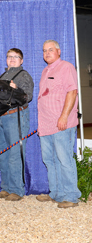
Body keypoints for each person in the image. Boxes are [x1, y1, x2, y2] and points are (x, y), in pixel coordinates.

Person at [36, 40, 81, 208]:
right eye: (44, 50)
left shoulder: (66, 67)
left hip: (61, 123)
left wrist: (63, 116)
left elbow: (72, 92)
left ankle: (71, 196)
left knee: (64, 159)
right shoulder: (45, 71)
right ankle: (56, 193)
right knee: (50, 160)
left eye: (50, 50)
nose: (47, 53)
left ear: (59, 51)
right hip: (46, 124)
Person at [0, 48, 34, 201]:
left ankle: (17, 190)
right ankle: (6, 188)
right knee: (2, 154)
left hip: (15, 116)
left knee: (15, 154)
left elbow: (27, 97)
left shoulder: (23, 76)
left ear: (21, 60)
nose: (11, 59)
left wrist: (16, 89)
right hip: (1, 117)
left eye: (15, 57)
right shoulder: (3, 76)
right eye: (9, 56)